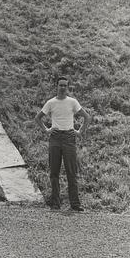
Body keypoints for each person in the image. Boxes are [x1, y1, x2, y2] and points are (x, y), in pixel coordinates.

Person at [34, 76, 92, 211]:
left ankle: (75, 204)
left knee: (71, 172)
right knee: (54, 172)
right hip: (55, 138)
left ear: (68, 87)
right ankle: (55, 204)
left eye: (65, 85)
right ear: (57, 86)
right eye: (60, 85)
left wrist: (79, 132)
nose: (63, 88)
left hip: (69, 138)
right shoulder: (51, 103)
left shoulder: (72, 102)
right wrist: (47, 130)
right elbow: (38, 118)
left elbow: (87, 117)